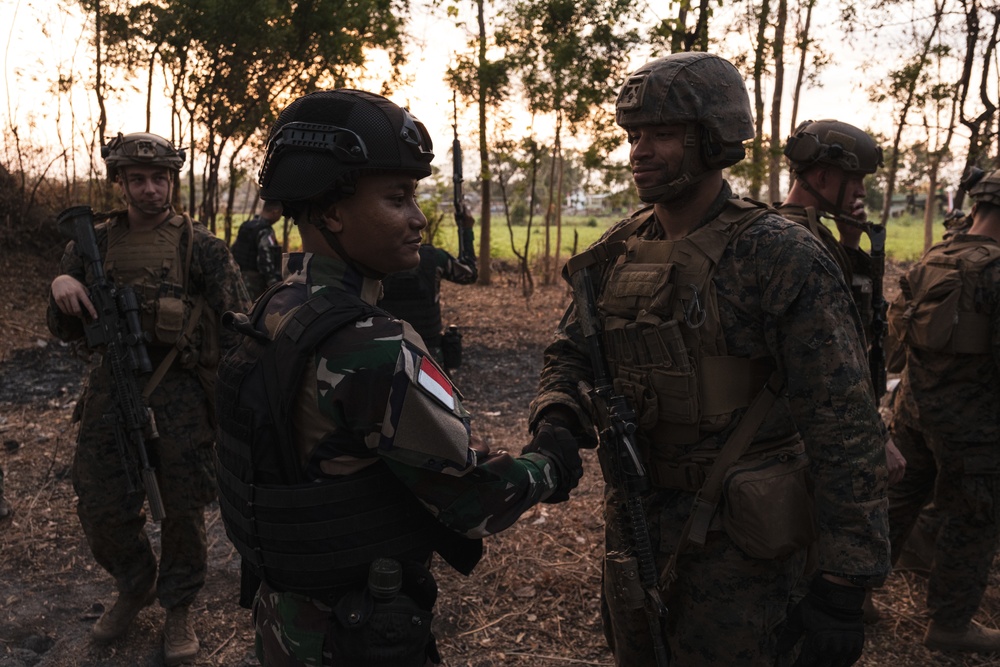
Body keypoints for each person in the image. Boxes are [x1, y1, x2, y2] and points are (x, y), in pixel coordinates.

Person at [528, 52, 889, 666]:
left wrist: (846, 583)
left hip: (746, 547)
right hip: (638, 522)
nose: (640, 151)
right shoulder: (622, 246)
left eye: (662, 135)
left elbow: (844, 426)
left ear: (715, 140)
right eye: (634, 135)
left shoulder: (778, 254)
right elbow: (571, 350)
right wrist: (557, 417)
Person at [214, 89, 583, 667]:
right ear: (332, 212)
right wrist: (550, 462)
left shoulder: (277, 305)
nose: (416, 219)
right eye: (397, 198)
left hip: (282, 622)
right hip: (357, 634)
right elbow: (475, 503)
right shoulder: (370, 344)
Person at [47, 132, 250, 665]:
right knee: (99, 503)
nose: (151, 188)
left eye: (160, 178)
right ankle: (135, 584)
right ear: (120, 183)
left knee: (182, 508)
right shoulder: (91, 243)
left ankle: (178, 604)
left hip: (180, 394)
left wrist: (234, 400)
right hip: (110, 392)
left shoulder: (200, 246)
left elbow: (237, 326)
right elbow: (67, 332)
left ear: (172, 182)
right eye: (138, 179)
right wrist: (61, 287)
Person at [881, 167, 1000, 653]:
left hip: (914, 409)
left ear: (976, 207)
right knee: (972, 520)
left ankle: (852, 595)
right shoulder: (995, 271)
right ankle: (950, 624)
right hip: (975, 429)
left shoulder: (936, 256)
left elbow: (899, 337)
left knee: (897, 505)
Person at [776, 119, 906, 484]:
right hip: (803, 424)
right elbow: (837, 351)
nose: (861, 192)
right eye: (856, 179)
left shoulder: (807, 230)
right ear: (822, 177)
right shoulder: (797, 240)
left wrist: (849, 243)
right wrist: (876, 435)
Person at [378, 202, 477, 367]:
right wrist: (467, 229)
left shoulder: (371, 258)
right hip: (430, 356)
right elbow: (470, 274)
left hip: (386, 354)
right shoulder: (434, 258)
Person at [230, 198, 284, 300]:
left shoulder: (247, 225)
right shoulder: (265, 231)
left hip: (239, 279)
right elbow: (265, 262)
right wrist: (275, 286)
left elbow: (234, 250)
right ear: (275, 212)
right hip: (255, 283)